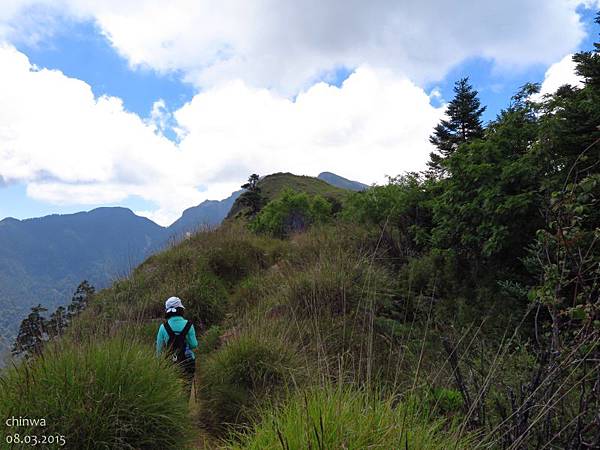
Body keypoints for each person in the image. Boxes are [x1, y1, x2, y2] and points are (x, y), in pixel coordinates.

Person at [156, 296, 198, 395]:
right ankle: (186, 406)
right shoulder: (189, 325)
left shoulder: (163, 327)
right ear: (180, 309)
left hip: (170, 363)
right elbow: (194, 345)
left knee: (172, 391)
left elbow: (159, 351)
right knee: (186, 389)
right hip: (188, 362)